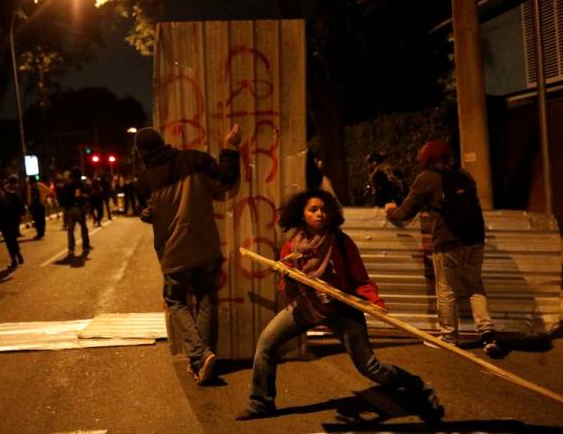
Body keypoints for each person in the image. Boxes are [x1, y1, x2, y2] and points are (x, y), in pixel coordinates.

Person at [235, 189, 443, 422]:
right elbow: (285, 285)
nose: (320, 214)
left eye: (324, 209)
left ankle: (416, 385)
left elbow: (361, 281)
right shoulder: (292, 246)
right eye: (313, 209)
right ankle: (261, 403)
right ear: (302, 214)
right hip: (306, 306)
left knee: (370, 367)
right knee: (266, 343)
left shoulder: (341, 243)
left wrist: (376, 302)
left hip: (342, 309)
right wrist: (286, 276)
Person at [136, 124, 241, 385]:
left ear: (141, 152)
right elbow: (226, 179)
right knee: (206, 300)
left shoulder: (145, 179)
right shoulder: (195, 159)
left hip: (174, 252)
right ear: (162, 142)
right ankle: (202, 362)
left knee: (175, 301)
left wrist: (149, 213)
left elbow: (148, 213)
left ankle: (200, 354)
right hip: (206, 246)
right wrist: (230, 147)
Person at [384, 140, 501, 357]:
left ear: (425, 160)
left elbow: (404, 214)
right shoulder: (464, 175)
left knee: (446, 290)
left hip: (448, 241)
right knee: (475, 285)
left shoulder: (426, 179)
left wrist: (390, 210)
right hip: (475, 239)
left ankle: (449, 337)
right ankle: (488, 334)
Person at [0, 177, 25, 269]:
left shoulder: (10, 195)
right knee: (8, 242)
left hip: (12, 222)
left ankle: (17, 256)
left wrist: (21, 215)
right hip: (3, 223)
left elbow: (19, 204)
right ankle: (15, 258)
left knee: (12, 240)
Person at [60, 168, 90, 257]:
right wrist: (84, 197)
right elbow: (77, 194)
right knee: (83, 227)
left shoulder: (67, 184)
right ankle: (85, 246)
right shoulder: (78, 183)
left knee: (70, 230)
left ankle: (71, 249)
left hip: (69, 209)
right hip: (78, 208)